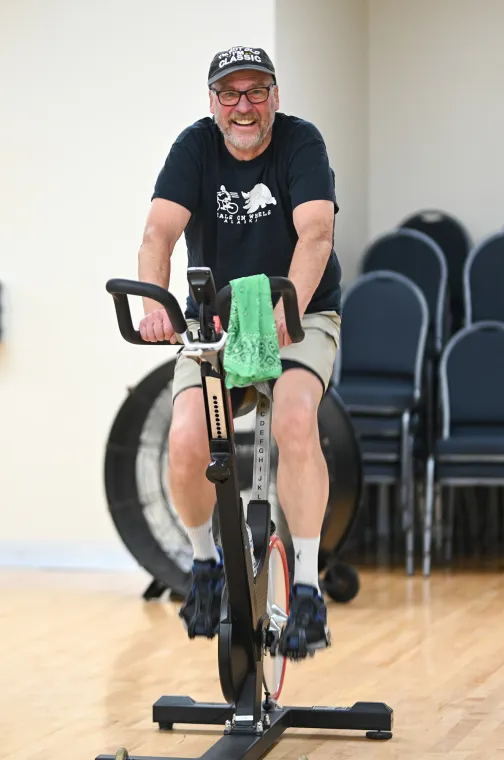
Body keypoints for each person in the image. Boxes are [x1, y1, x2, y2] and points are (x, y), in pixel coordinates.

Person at [135, 47, 342, 660]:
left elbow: (317, 234)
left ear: (275, 96)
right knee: (186, 440)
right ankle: (203, 564)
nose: (243, 106)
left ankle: (305, 586)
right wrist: (154, 303)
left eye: (256, 92)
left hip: (299, 317)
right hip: (216, 323)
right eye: (230, 94)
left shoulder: (302, 144)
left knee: (295, 422)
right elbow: (158, 232)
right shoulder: (194, 147)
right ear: (213, 103)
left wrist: (290, 310)